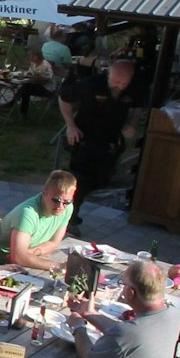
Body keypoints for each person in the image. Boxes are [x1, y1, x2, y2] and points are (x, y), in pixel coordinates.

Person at [58, 59, 140, 231]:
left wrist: (131, 124)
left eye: (123, 83)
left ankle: (71, 213)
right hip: (85, 137)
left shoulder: (134, 88)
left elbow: (137, 106)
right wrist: (70, 126)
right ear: (109, 74)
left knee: (101, 179)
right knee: (80, 179)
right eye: (116, 82)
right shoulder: (92, 84)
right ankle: (68, 219)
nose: (119, 86)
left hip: (110, 140)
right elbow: (64, 97)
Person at [1, 170, 77, 270]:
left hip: (25, 261)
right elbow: (18, 258)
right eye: (56, 200)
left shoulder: (68, 208)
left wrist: (32, 252)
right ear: (44, 192)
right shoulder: (28, 213)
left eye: (66, 202)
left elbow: (54, 242)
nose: (60, 206)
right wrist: (59, 267)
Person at [14, 47, 57, 119]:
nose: (29, 58)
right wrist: (28, 75)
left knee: (26, 88)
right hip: (36, 86)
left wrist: (35, 78)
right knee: (26, 89)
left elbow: (47, 78)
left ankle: (15, 101)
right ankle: (22, 112)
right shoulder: (33, 64)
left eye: (31, 56)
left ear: (36, 56)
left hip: (47, 89)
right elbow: (30, 73)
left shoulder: (45, 65)